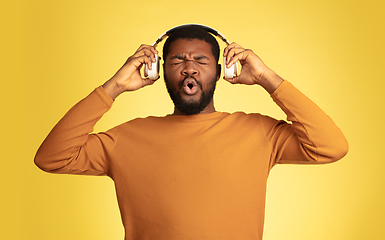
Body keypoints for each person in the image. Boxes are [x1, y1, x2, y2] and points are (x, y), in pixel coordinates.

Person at [34, 25, 348, 240]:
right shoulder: (126, 138)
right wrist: (113, 87)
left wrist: (267, 77)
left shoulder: (259, 131)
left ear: (223, 70)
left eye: (201, 60)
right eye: (177, 60)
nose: (190, 68)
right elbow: (52, 158)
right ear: (159, 71)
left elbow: (331, 146)